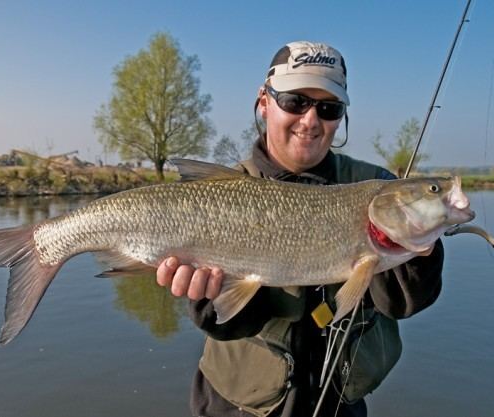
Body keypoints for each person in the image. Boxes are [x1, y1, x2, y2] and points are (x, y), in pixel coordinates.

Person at [156, 41, 444, 417]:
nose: (310, 120)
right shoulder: (224, 188)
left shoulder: (377, 187)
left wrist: (420, 248)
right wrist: (208, 299)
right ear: (264, 101)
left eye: (328, 108)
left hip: (338, 400)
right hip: (240, 404)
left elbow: (402, 304)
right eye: (295, 101)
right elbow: (225, 322)